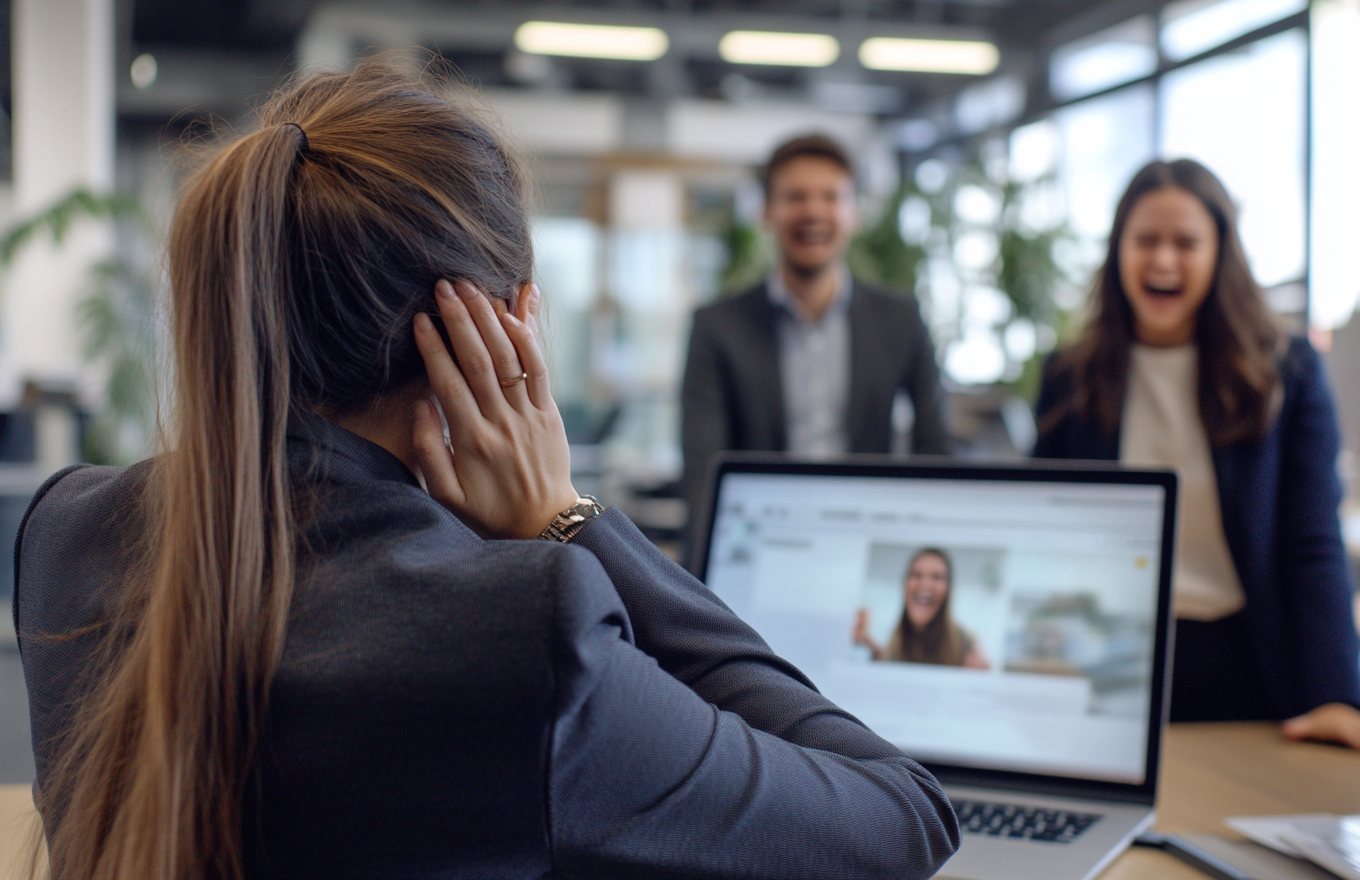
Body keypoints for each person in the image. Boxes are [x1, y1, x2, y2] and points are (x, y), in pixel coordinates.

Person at [12, 64, 961, 880]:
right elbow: (902, 817)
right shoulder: (526, 631)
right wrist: (569, 518)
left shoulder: (67, 533)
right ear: (502, 332)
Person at [1033, 158, 1360, 748]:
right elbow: (1046, 540)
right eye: (1145, 240)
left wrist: (1336, 693)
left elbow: (1312, 542)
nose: (1162, 260)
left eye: (1185, 242)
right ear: (1118, 252)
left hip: (1247, 661)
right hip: (1108, 665)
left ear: (1219, 254)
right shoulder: (1071, 376)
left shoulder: (1285, 371)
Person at [680, 136, 950, 560]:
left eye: (831, 196)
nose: (813, 211)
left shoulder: (900, 319)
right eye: (795, 197)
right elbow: (702, 467)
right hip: (760, 547)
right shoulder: (718, 326)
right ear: (767, 211)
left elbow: (936, 449)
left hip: (869, 545)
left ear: (854, 213)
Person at [852, 548, 989, 669]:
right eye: (916, 575)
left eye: (937, 577)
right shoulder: (897, 637)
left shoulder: (965, 644)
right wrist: (866, 640)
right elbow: (888, 662)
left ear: (949, 589)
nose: (925, 584)